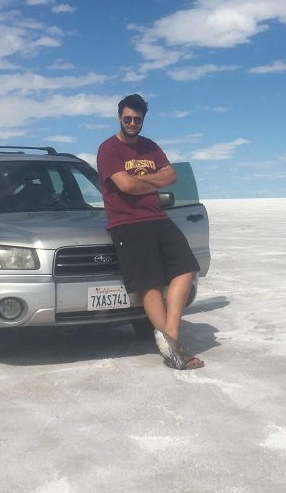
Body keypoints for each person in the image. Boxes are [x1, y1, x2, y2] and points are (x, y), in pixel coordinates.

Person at [96, 94, 204, 370]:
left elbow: (171, 177)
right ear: (119, 117)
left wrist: (138, 180)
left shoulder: (150, 147)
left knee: (186, 267)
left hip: (157, 217)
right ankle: (173, 350)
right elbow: (126, 187)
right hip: (127, 223)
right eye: (127, 118)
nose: (132, 123)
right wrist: (148, 181)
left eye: (137, 119)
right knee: (150, 283)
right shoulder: (109, 149)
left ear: (144, 120)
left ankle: (169, 335)